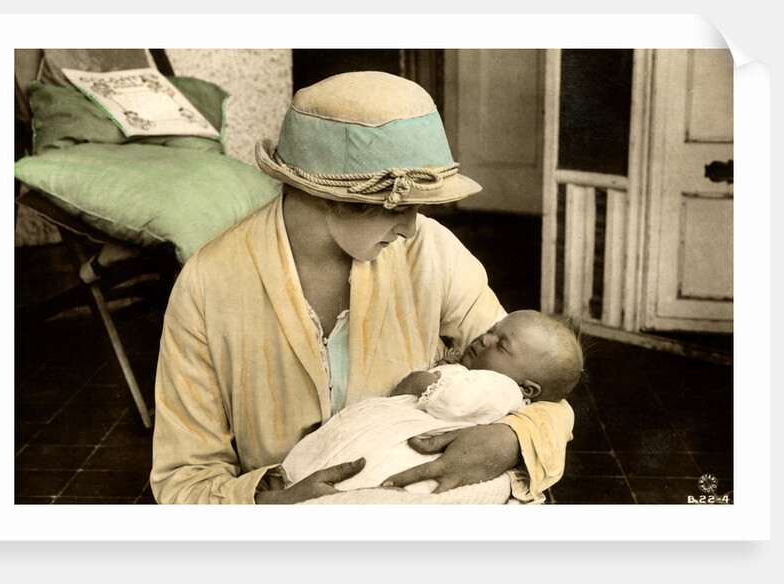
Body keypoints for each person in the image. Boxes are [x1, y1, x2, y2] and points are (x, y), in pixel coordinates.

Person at [150, 71, 575, 505]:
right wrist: (269, 505)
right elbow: (184, 475)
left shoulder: (432, 253)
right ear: (328, 195)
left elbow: (537, 380)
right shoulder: (210, 283)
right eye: (400, 208)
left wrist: (508, 439)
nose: (412, 228)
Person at [280, 310, 585, 496]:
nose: (484, 339)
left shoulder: (503, 388)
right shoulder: (489, 377)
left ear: (528, 389)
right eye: (492, 331)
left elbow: (453, 401)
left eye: (501, 346)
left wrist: (424, 381)